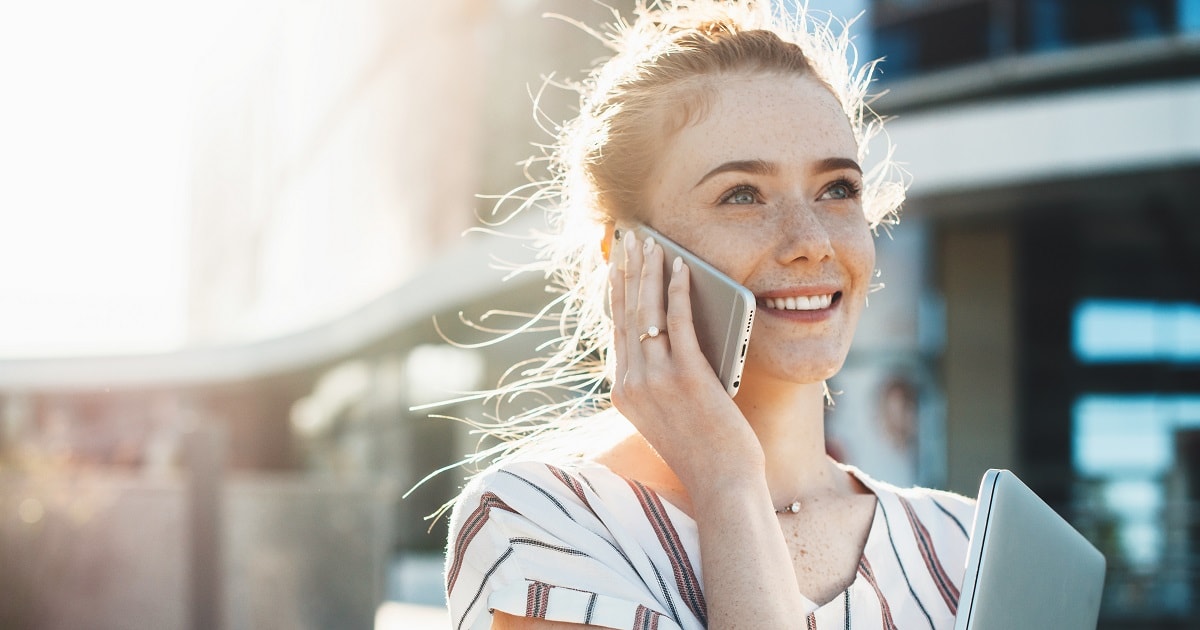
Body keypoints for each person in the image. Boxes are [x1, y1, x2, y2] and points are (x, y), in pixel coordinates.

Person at [443, 2, 974, 628]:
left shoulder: (962, 546)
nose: (811, 239)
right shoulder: (544, 522)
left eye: (838, 189)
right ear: (630, 252)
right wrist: (728, 482)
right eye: (742, 195)